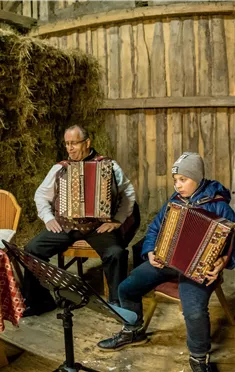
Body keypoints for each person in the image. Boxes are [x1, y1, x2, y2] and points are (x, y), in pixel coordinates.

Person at [96, 153, 234, 372]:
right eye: (175, 180)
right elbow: (154, 229)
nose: (177, 185)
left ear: (197, 178)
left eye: (183, 180)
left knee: (194, 310)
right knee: (127, 287)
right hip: (167, 261)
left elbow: (232, 245)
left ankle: (198, 358)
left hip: (198, 270)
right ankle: (133, 330)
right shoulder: (174, 201)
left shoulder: (220, 206)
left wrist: (224, 260)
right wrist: (150, 251)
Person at [21, 125, 136, 316]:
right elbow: (41, 194)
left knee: (116, 253)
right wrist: (48, 218)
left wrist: (117, 220)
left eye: (74, 143)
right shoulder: (60, 168)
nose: (70, 148)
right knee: (32, 249)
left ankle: (117, 303)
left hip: (98, 226)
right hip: (66, 225)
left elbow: (128, 193)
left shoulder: (109, 166)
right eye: (67, 144)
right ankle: (40, 301)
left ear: (87, 142)